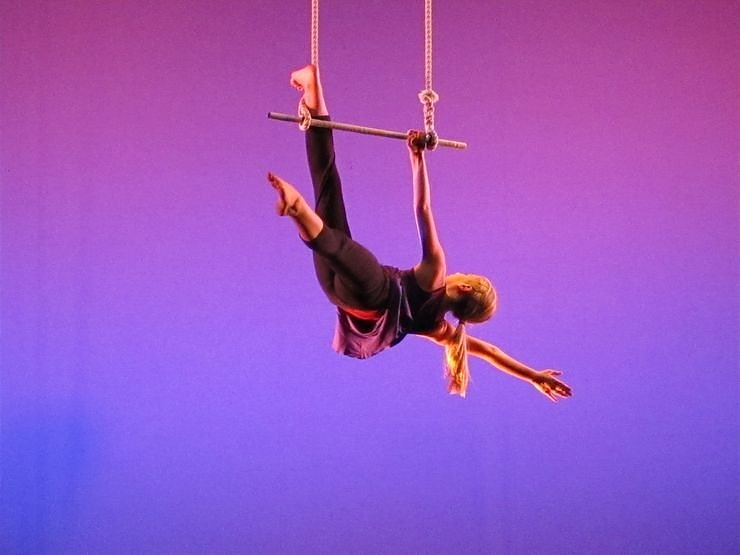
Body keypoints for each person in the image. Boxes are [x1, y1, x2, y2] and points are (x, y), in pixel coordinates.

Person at [267, 64, 571, 401]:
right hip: (339, 296)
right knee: (328, 197)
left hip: (374, 292)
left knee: (337, 230)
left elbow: (423, 209)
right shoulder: (437, 328)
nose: (461, 272)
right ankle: (312, 92)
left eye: (467, 274)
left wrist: (417, 159)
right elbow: (488, 351)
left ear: (466, 286)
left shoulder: (436, 273)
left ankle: (297, 208)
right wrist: (531, 375)